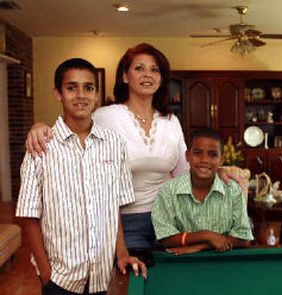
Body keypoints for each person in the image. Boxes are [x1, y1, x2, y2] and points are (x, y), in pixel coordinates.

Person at [24, 43, 242, 251]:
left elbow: (184, 173)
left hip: (171, 219)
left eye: (154, 69)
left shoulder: (170, 121)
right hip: (126, 224)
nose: (147, 74)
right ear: (125, 76)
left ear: (161, 78)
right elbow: (71, 128)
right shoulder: (106, 116)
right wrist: (39, 127)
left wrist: (217, 169)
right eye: (139, 68)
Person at [16, 58, 146, 295]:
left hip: (101, 275)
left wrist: (122, 253)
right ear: (58, 93)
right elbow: (28, 216)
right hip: (59, 277)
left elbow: (113, 206)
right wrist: (46, 272)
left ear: (96, 94)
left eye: (88, 87)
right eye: (71, 87)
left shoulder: (114, 143)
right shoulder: (40, 146)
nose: (81, 95)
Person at [151, 128, 253, 256]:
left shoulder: (233, 190)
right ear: (188, 156)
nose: (204, 160)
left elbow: (244, 238)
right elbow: (165, 238)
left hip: (224, 262)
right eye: (198, 153)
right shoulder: (169, 191)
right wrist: (206, 235)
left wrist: (203, 245)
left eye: (213, 155)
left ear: (222, 160)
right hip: (182, 263)